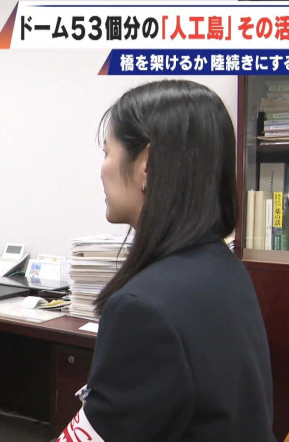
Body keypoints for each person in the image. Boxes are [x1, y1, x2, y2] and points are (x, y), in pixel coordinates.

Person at [58, 80, 275, 441]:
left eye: (107, 151)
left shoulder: (142, 309)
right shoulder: (224, 267)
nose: (102, 168)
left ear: (146, 165)